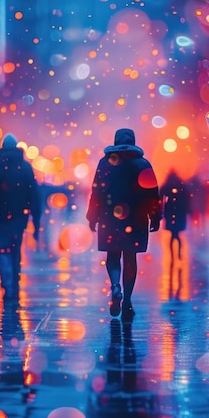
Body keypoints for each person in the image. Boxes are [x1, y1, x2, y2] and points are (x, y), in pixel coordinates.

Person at [86, 128, 162, 320]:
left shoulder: (105, 163)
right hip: (135, 218)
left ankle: (115, 286)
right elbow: (152, 193)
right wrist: (155, 216)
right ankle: (127, 300)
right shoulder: (143, 164)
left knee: (112, 255)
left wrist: (92, 216)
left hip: (110, 217)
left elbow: (97, 191)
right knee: (130, 259)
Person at [0, 134, 42, 307]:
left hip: (0, 217)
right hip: (20, 218)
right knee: (15, 249)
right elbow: (34, 196)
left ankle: (7, 282)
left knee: (2, 249)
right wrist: (36, 221)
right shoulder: (25, 167)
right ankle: (14, 282)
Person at [159, 170, 191, 259]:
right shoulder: (181, 185)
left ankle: (173, 254)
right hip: (179, 212)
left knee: (173, 235)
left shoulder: (167, 185)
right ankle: (178, 254)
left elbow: (161, 196)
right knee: (177, 234)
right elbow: (187, 198)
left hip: (170, 211)